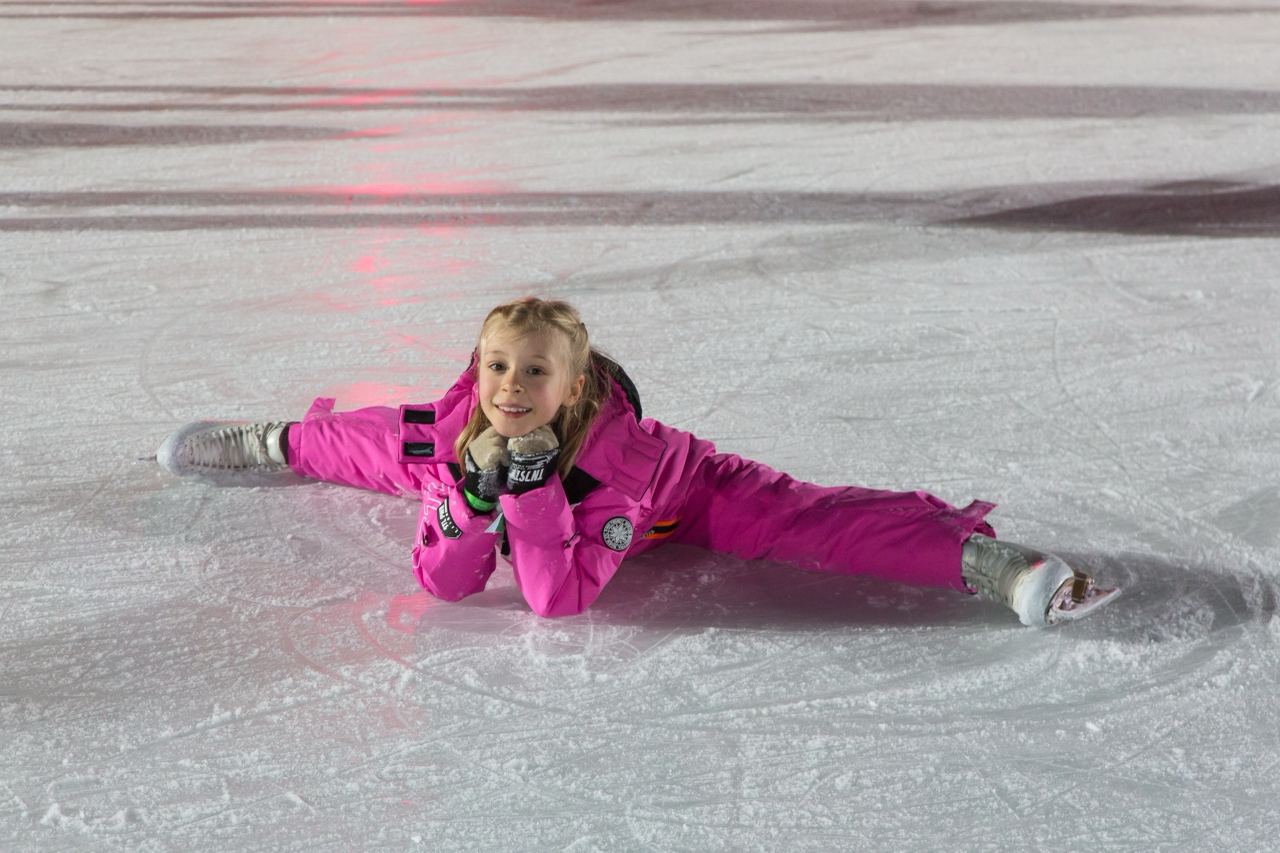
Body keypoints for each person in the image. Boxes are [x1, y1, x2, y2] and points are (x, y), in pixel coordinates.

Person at [156, 297, 1117, 626]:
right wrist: (465, 493)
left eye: (534, 372)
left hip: (678, 505)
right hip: (502, 477)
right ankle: (258, 441)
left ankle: (990, 561)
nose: (509, 386)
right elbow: (444, 583)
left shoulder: (633, 467)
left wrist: (526, 497)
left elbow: (557, 599)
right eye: (498, 365)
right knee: (367, 442)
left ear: (571, 388)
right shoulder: (459, 424)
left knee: (805, 522)